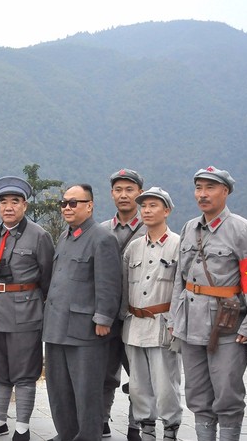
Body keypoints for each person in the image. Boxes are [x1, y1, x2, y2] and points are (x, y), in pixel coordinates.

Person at [170, 167, 247, 441]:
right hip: (190, 324)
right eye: (198, 188)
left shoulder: (242, 230)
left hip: (228, 327)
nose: (202, 194)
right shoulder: (189, 227)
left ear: (225, 191)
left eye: (210, 187)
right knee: (196, 394)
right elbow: (179, 279)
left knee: (227, 394)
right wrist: (174, 318)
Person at [0, 176, 53, 441]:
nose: (9, 207)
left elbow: (47, 278)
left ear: (25, 206)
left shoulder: (39, 236)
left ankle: (22, 426)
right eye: (3, 202)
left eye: (15, 202)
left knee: (24, 370)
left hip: (25, 311)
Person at [43, 184, 121, 441]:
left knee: (86, 390)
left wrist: (103, 318)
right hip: (56, 326)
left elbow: (109, 283)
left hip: (85, 329)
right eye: (64, 203)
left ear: (90, 205)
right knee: (58, 388)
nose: (67, 207)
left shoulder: (102, 238)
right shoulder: (65, 236)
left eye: (74, 202)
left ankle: (87, 436)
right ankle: (66, 433)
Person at [121, 187, 182, 441]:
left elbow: (182, 287)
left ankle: (170, 431)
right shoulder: (133, 248)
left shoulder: (179, 245)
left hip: (163, 325)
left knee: (166, 385)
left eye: (153, 205)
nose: (146, 210)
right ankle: (146, 432)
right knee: (138, 385)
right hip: (134, 324)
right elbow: (123, 288)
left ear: (166, 210)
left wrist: (177, 324)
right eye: (143, 206)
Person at [100, 168, 146, 440]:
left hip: (137, 316)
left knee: (138, 376)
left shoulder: (150, 228)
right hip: (107, 316)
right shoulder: (101, 230)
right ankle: (102, 420)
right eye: (118, 190)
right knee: (105, 375)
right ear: (112, 194)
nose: (124, 195)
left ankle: (134, 426)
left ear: (140, 193)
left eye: (130, 189)